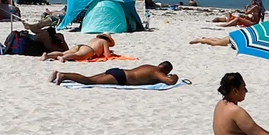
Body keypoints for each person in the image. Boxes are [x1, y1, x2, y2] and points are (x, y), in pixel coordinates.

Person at [50, 61, 178, 86]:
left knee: (88, 78)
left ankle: (61, 74)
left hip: (119, 71)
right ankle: (64, 76)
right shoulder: (157, 73)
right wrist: (175, 76)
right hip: (121, 78)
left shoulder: (150, 66)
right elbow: (170, 82)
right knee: (90, 81)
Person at [41, 33, 117, 62]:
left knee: (63, 52)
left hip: (82, 46)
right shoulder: (104, 42)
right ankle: (64, 58)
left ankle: (47, 55)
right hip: (90, 50)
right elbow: (108, 56)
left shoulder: (95, 39)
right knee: (77, 55)